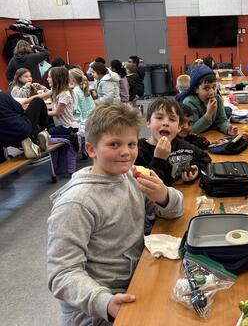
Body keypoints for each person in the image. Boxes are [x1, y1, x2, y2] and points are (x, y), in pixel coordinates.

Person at [47, 103, 184, 325]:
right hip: (97, 311)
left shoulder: (131, 175)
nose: (126, 152)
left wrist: (164, 196)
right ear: (91, 150)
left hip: (137, 280)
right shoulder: (76, 203)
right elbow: (62, 275)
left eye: (131, 143)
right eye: (114, 144)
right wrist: (105, 302)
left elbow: (175, 209)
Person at [136, 97, 211, 187]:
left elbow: (205, 159)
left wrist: (196, 170)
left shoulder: (182, 146)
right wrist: (159, 159)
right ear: (148, 123)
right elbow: (146, 186)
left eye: (172, 119)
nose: (166, 123)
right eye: (159, 117)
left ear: (179, 127)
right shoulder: (137, 151)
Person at [176, 64, 237, 135]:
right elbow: (191, 130)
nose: (212, 92)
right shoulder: (189, 102)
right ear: (196, 89)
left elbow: (221, 121)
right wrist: (208, 114)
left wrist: (227, 128)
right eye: (206, 88)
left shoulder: (217, 98)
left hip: (211, 137)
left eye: (214, 87)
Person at [0, 91, 50, 159]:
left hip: (5, 141)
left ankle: (29, 141)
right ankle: (41, 133)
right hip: (21, 130)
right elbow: (20, 110)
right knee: (37, 101)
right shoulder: (3, 96)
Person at [47, 67, 79, 139]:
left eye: (49, 77)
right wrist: (25, 101)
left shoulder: (64, 94)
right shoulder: (56, 90)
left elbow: (56, 113)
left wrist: (44, 112)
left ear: (57, 79)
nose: (47, 79)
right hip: (62, 125)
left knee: (47, 132)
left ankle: (71, 136)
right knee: (48, 127)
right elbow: (42, 96)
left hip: (68, 126)